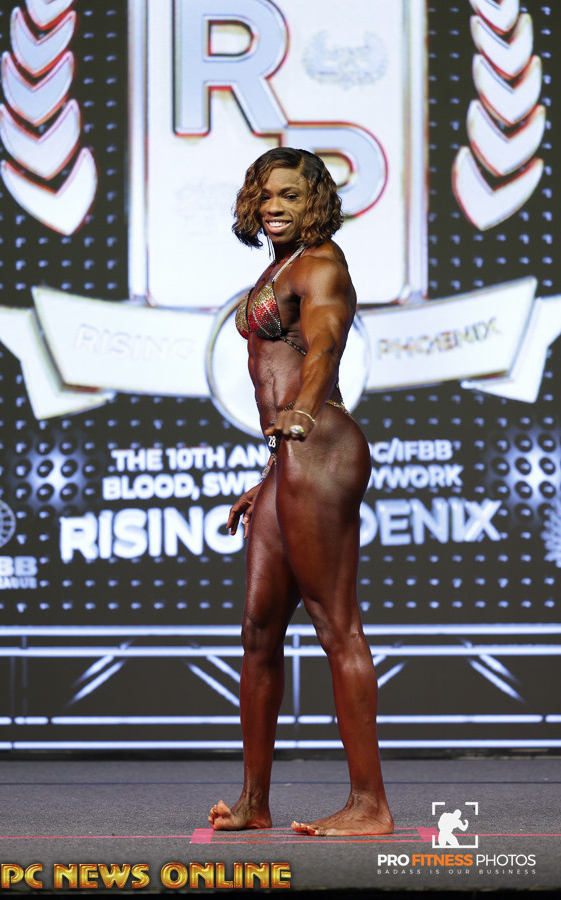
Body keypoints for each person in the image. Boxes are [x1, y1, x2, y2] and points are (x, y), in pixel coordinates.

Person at [208, 147, 393, 836]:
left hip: (320, 445)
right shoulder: (276, 268)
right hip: (289, 458)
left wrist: (304, 413)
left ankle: (370, 804)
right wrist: (269, 477)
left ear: (314, 200)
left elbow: (324, 348)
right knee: (258, 629)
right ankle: (253, 803)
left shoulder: (322, 265)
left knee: (335, 625)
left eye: (288, 194)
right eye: (264, 195)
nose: (273, 206)